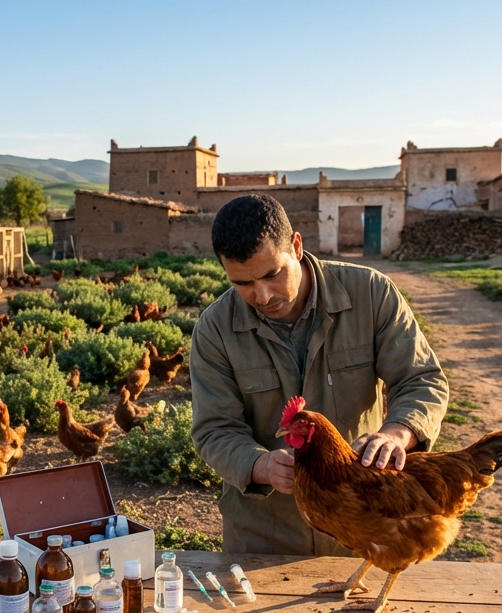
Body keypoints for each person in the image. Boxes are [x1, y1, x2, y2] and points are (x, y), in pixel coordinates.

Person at [190, 194, 449, 555]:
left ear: (296, 246)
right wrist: (258, 464)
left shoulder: (371, 294)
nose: (262, 295)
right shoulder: (214, 329)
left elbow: (421, 378)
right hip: (262, 538)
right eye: (243, 284)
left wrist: (398, 432)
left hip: (363, 531)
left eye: (272, 274)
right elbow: (214, 428)